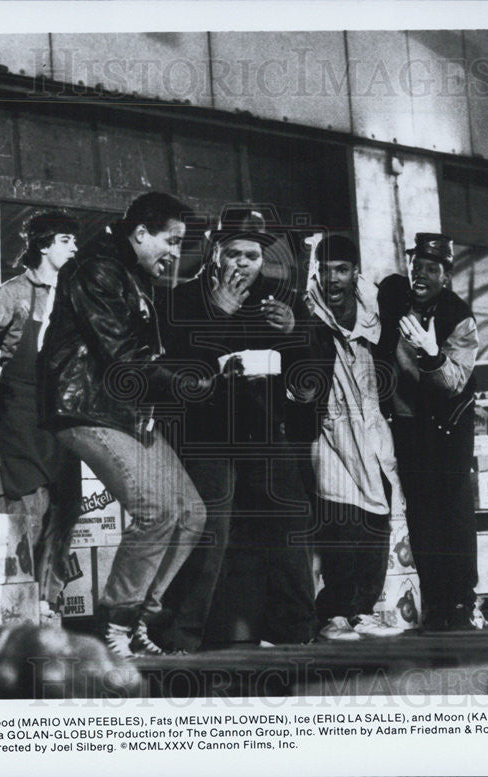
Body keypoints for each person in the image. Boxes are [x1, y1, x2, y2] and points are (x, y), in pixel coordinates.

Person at [38, 192, 207, 658]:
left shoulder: (134, 275)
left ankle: (138, 620)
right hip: (84, 407)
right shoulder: (97, 270)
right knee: (155, 508)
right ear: (140, 234)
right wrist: (191, 383)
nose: (175, 251)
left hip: (124, 410)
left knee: (191, 513)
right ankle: (114, 623)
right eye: (170, 240)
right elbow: (122, 359)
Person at [154, 206, 317, 651]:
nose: (244, 263)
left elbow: (309, 365)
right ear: (214, 253)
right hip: (206, 434)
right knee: (209, 532)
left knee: (289, 521)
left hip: (264, 429)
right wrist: (219, 315)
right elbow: (174, 367)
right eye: (235, 253)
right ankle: (181, 638)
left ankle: (296, 633)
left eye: (253, 255)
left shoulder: (279, 300)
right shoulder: (182, 300)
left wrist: (295, 329)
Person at [0, 210, 79, 606]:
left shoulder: (77, 295)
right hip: (22, 405)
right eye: (66, 240)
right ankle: (20, 603)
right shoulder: (16, 292)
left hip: (62, 407)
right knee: (30, 504)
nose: (75, 247)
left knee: (67, 506)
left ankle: (48, 602)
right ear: (44, 245)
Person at [376, 232, 483, 632]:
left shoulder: (459, 316)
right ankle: (437, 606)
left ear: (446, 275)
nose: (420, 274)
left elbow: (454, 381)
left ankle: (463, 603)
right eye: (416, 266)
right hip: (409, 427)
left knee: (453, 516)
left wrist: (430, 351)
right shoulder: (395, 296)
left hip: (449, 432)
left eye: (431, 268)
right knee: (422, 518)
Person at [300, 234, 404, 640]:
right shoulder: (309, 313)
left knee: (377, 519)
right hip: (329, 429)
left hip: (373, 424)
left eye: (341, 269)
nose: (333, 279)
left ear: (355, 273)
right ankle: (335, 614)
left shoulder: (372, 316)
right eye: (325, 270)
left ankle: (363, 610)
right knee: (341, 521)